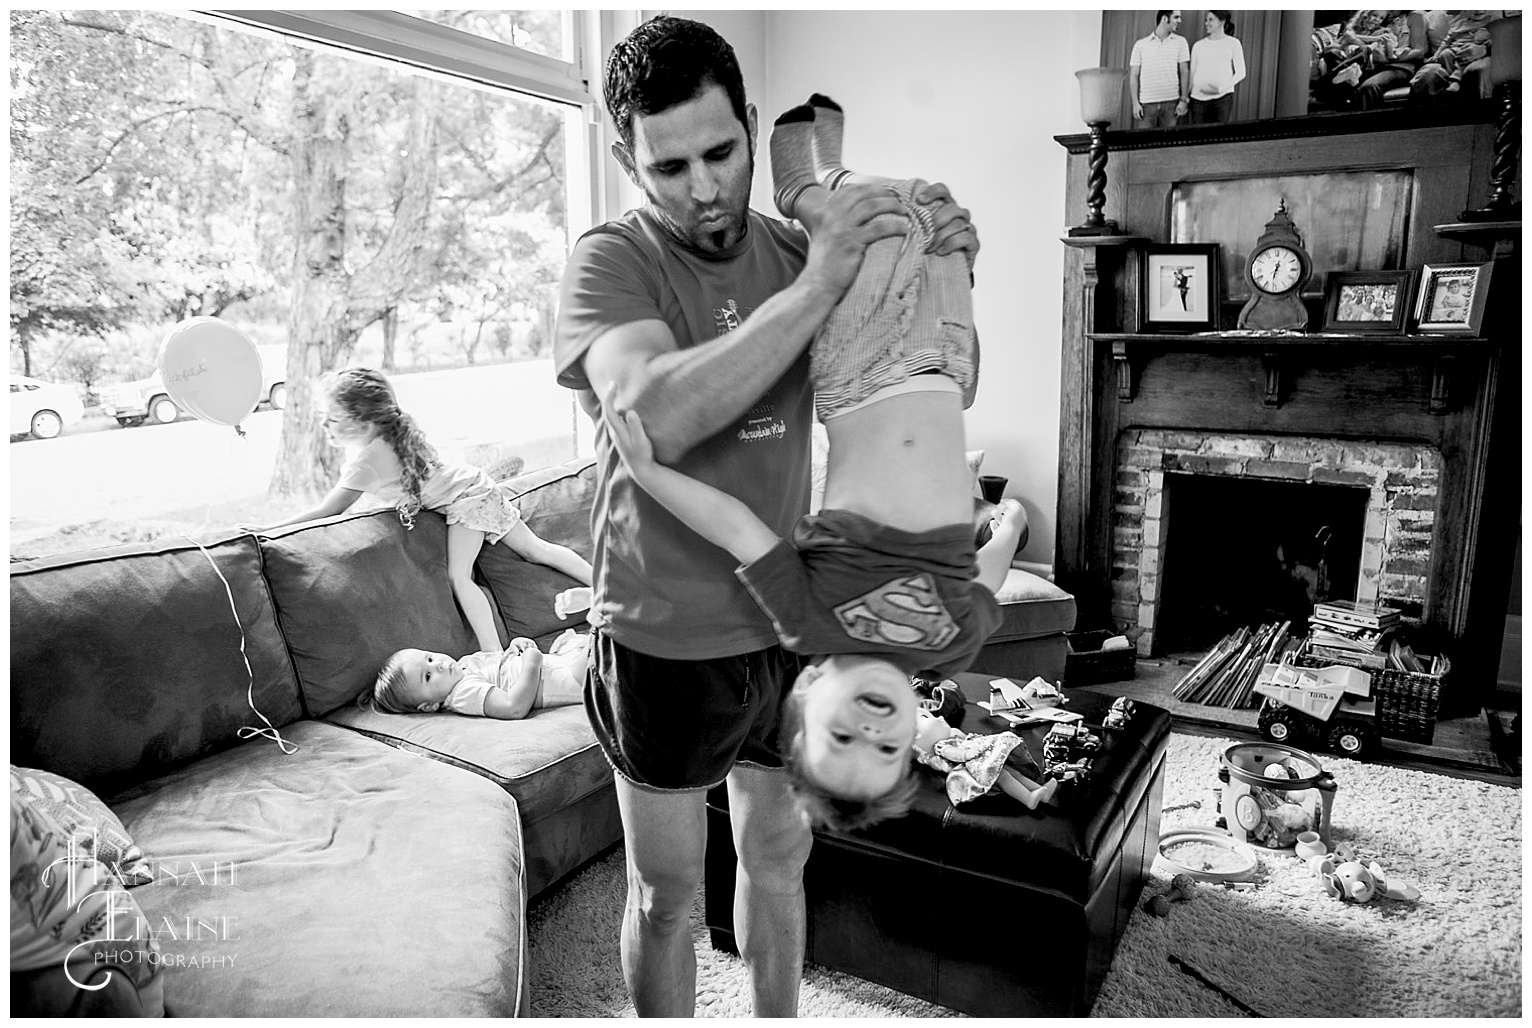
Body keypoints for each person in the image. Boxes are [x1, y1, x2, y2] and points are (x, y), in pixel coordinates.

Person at [551, 15, 977, 1018]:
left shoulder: (795, 246)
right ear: (626, 160)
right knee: (664, 896)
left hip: (787, 622)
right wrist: (822, 280)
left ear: (749, 125)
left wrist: (939, 258)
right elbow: (655, 408)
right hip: (659, 636)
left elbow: (911, 363)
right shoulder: (609, 265)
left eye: (720, 151)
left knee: (777, 860)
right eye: (667, 166)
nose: (701, 186)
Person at [601, 94, 1028, 831]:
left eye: (840, 739)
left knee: (887, 209)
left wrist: (651, 475)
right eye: (886, 746)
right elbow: (985, 579)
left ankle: (804, 183)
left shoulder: (807, 627)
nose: (869, 726)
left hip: (861, 377)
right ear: (911, 736)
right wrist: (1009, 523)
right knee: (937, 219)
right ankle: (823, 177)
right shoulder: (952, 649)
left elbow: (738, 529)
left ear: (802, 711)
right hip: (943, 366)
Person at [251, 366, 593, 652]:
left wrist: (270, 529)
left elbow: (330, 510)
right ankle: (605, 586)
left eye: (333, 420)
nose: (325, 426)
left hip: (467, 502)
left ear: (364, 423)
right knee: (538, 550)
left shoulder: (366, 462)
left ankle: (496, 655)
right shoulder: (396, 434)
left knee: (459, 576)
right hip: (476, 486)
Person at [369, 629, 588, 718]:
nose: (437, 665)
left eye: (430, 658)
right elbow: (514, 707)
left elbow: (503, 665)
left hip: (560, 664)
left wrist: (516, 648)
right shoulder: (462, 693)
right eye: (427, 676)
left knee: (567, 642)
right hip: (568, 681)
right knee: (604, 640)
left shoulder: (465, 665)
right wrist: (531, 663)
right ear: (430, 706)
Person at [1129, 10, 1190, 128]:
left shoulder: (1181, 42)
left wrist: (1183, 101)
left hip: (1171, 104)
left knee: (1169, 144)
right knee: (1145, 144)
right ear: (1165, 19)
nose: (1179, 21)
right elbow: (1134, 75)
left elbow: (1184, 71)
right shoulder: (1140, 45)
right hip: (1146, 105)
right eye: (1176, 17)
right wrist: (1135, 103)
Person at [1188, 11, 1246, 123]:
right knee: (1198, 137)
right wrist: (1185, 98)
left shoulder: (1233, 43)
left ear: (1222, 21)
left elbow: (1241, 72)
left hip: (1222, 100)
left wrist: (1221, 89)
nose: (1206, 23)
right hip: (1198, 100)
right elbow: (1192, 73)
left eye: (1210, 20)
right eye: (1206, 20)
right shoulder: (1198, 45)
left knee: (1219, 137)